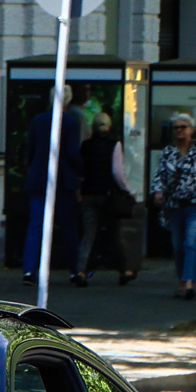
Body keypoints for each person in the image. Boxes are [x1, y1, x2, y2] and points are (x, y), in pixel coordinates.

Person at [148, 112, 196, 302]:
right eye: (176, 128)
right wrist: (157, 192)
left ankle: (188, 282)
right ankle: (181, 281)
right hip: (174, 207)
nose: (179, 131)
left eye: (183, 127)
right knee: (178, 246)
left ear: (191, 130)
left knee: (190, 243)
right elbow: (159, 176)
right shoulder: (168, 153)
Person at [20, 86, 87, 287]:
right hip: (63, 180)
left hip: (39, 179)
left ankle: (29, 270)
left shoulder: (38, 121)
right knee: (68, 226)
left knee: (36, 225)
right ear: (68, 101)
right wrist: (82, 171)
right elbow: (72, 152)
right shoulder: (70, 122)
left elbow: (30, 150)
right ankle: (74, 270)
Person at [75, 110, 135, 285]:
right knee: (114, 234)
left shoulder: (85, 146)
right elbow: (117, 172)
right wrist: (127, 189)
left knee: (88, 234)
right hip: (108, 196)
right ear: (109, 127)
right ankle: (124, 270)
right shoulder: (114, 145)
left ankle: (80, 271)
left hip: (88, 194)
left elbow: (81, 170)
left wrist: (79, 189)